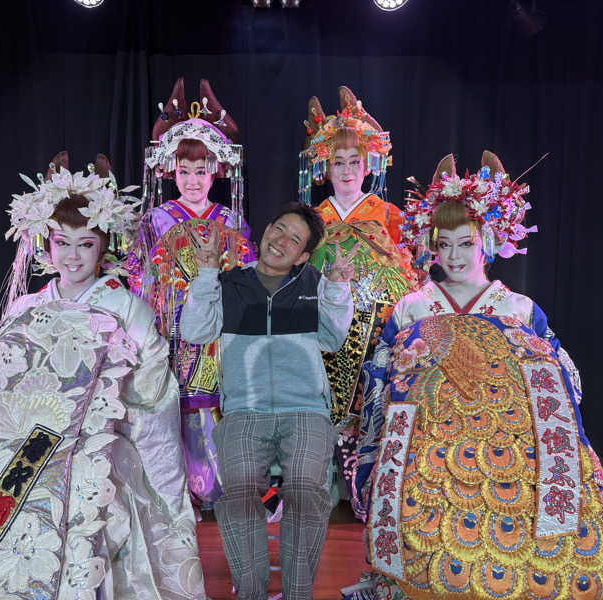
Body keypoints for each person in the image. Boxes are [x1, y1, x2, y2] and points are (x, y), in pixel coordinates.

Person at [0, 153, 206, 599]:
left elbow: (154, 395)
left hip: (98, 444)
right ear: (46, 245)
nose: (73, 256)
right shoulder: (27, 307)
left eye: (85, 244)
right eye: (62, 243)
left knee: (99, 502)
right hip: (26, 448)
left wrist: (109, 396)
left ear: (102, 246)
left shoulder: (127, 309)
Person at [344, 152, 603, 600]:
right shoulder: (411, 306)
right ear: (431, 246)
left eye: (465, 242)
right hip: (429, 449)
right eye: (444, 243)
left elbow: (566, 379)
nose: (453, 255)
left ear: (487, 242)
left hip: (511, 450)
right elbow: (378, 380)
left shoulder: (518, 308)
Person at [180, 203, 355, 600]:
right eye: (278, 229)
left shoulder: (314, 283)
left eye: (295, 239)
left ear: (304, 255)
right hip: (244, 409)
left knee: (307, 491)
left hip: (307, 410)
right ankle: (252, 592)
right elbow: (194, 331)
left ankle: (297, 593)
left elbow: (333, 339)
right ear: (265, 230)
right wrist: (207, 272)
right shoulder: (230, 283)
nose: (281, 241)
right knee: (240, 492)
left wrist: (339, 286)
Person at [132, 77, 255, 510]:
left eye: (201, 171)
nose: (192, 181)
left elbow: (246, 279)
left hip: (218, 331)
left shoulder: (232, 221)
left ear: (215, 172)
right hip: (170, 330)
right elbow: (139, 277)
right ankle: (176, 490)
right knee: (173, 407)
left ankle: (220, 488)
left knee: (215, 406)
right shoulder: (157, 219)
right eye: (183, 171)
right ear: (170, 172)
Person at [298, 86, 417, 510]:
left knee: (372, 397)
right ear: (324, 168)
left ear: (370, 164)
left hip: (377, 327)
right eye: (338, 163)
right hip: (326, 326)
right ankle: (320, 484)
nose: (347, 171)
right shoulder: (313, 217)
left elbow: (410, 273)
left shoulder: (389, 215)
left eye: (354, 161)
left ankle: (368, 483)